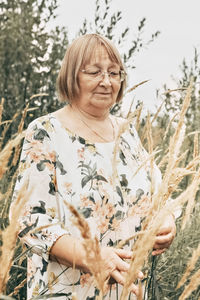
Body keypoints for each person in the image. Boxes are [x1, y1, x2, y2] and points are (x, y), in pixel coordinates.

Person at [13, 33, 176, 299]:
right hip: (68, 291)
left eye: (114, 73)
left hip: (129, 291)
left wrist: (167, 221)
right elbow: (30, 220)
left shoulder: (128, 133)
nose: (106, 81)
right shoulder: (46, 132)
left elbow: (157, 192)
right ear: (72, 76)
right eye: (94, 72)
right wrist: (94, 257)